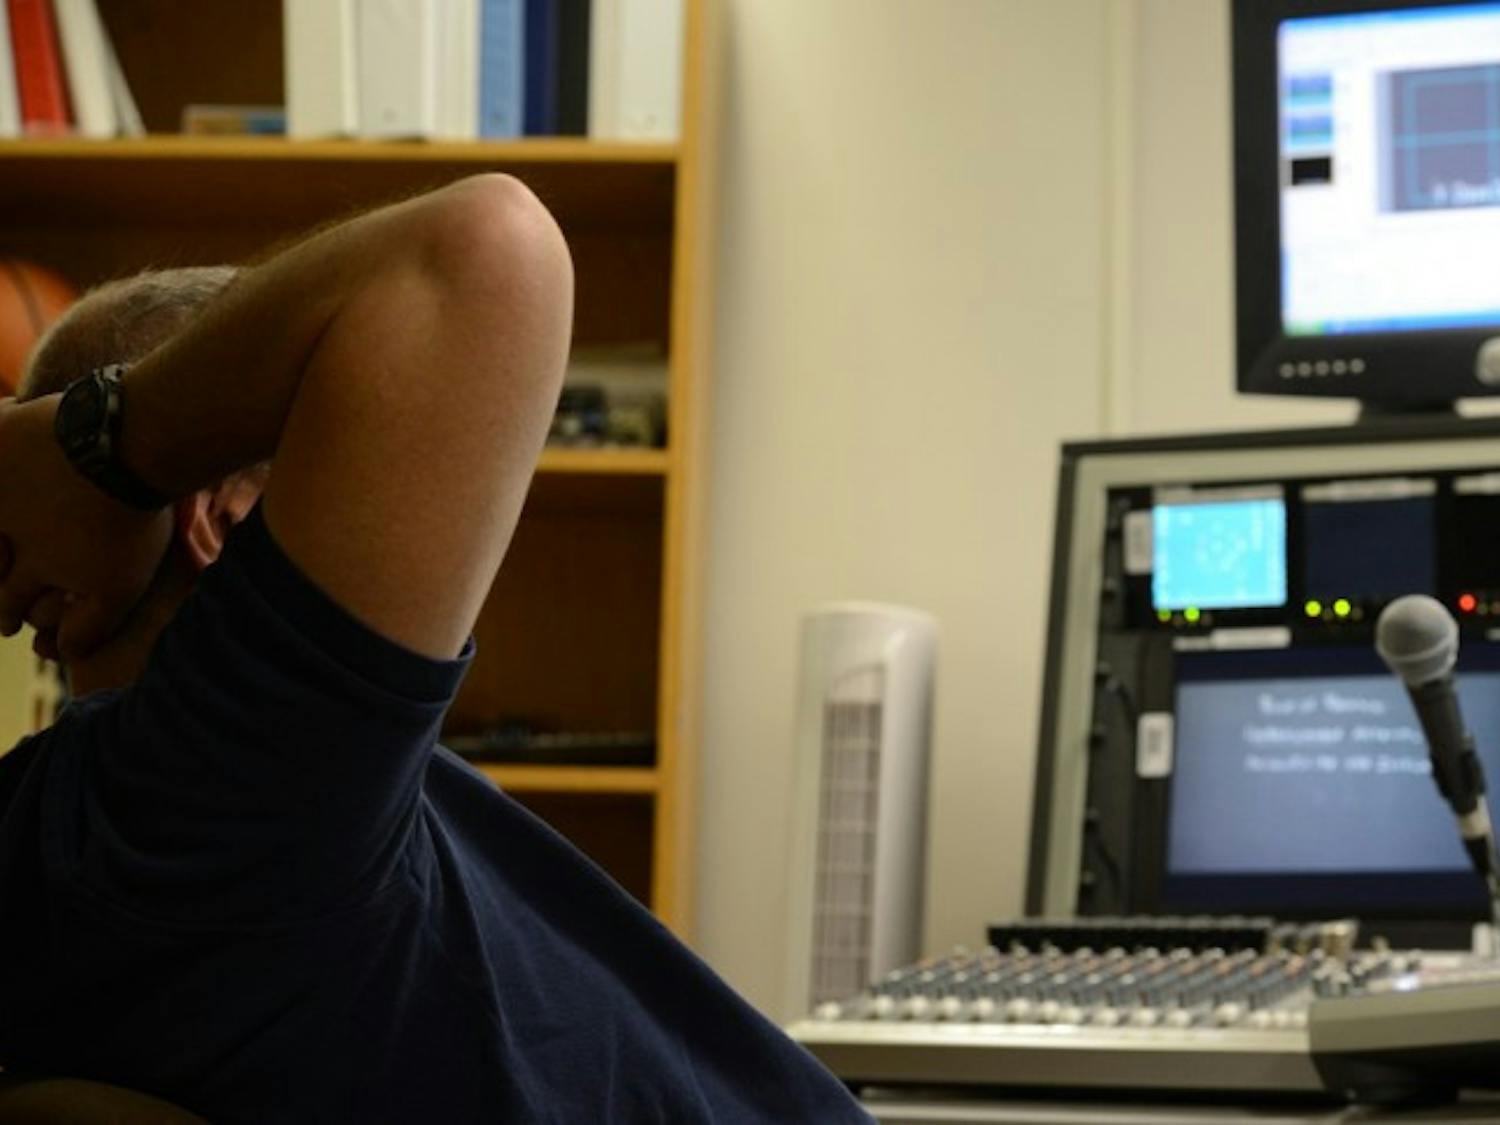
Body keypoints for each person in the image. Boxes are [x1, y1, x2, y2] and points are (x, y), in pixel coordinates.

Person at [0, 176, 870, 1123]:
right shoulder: (222, 792)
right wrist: (91, 450)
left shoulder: (59, 835)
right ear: (223, 515)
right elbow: (483, 255)